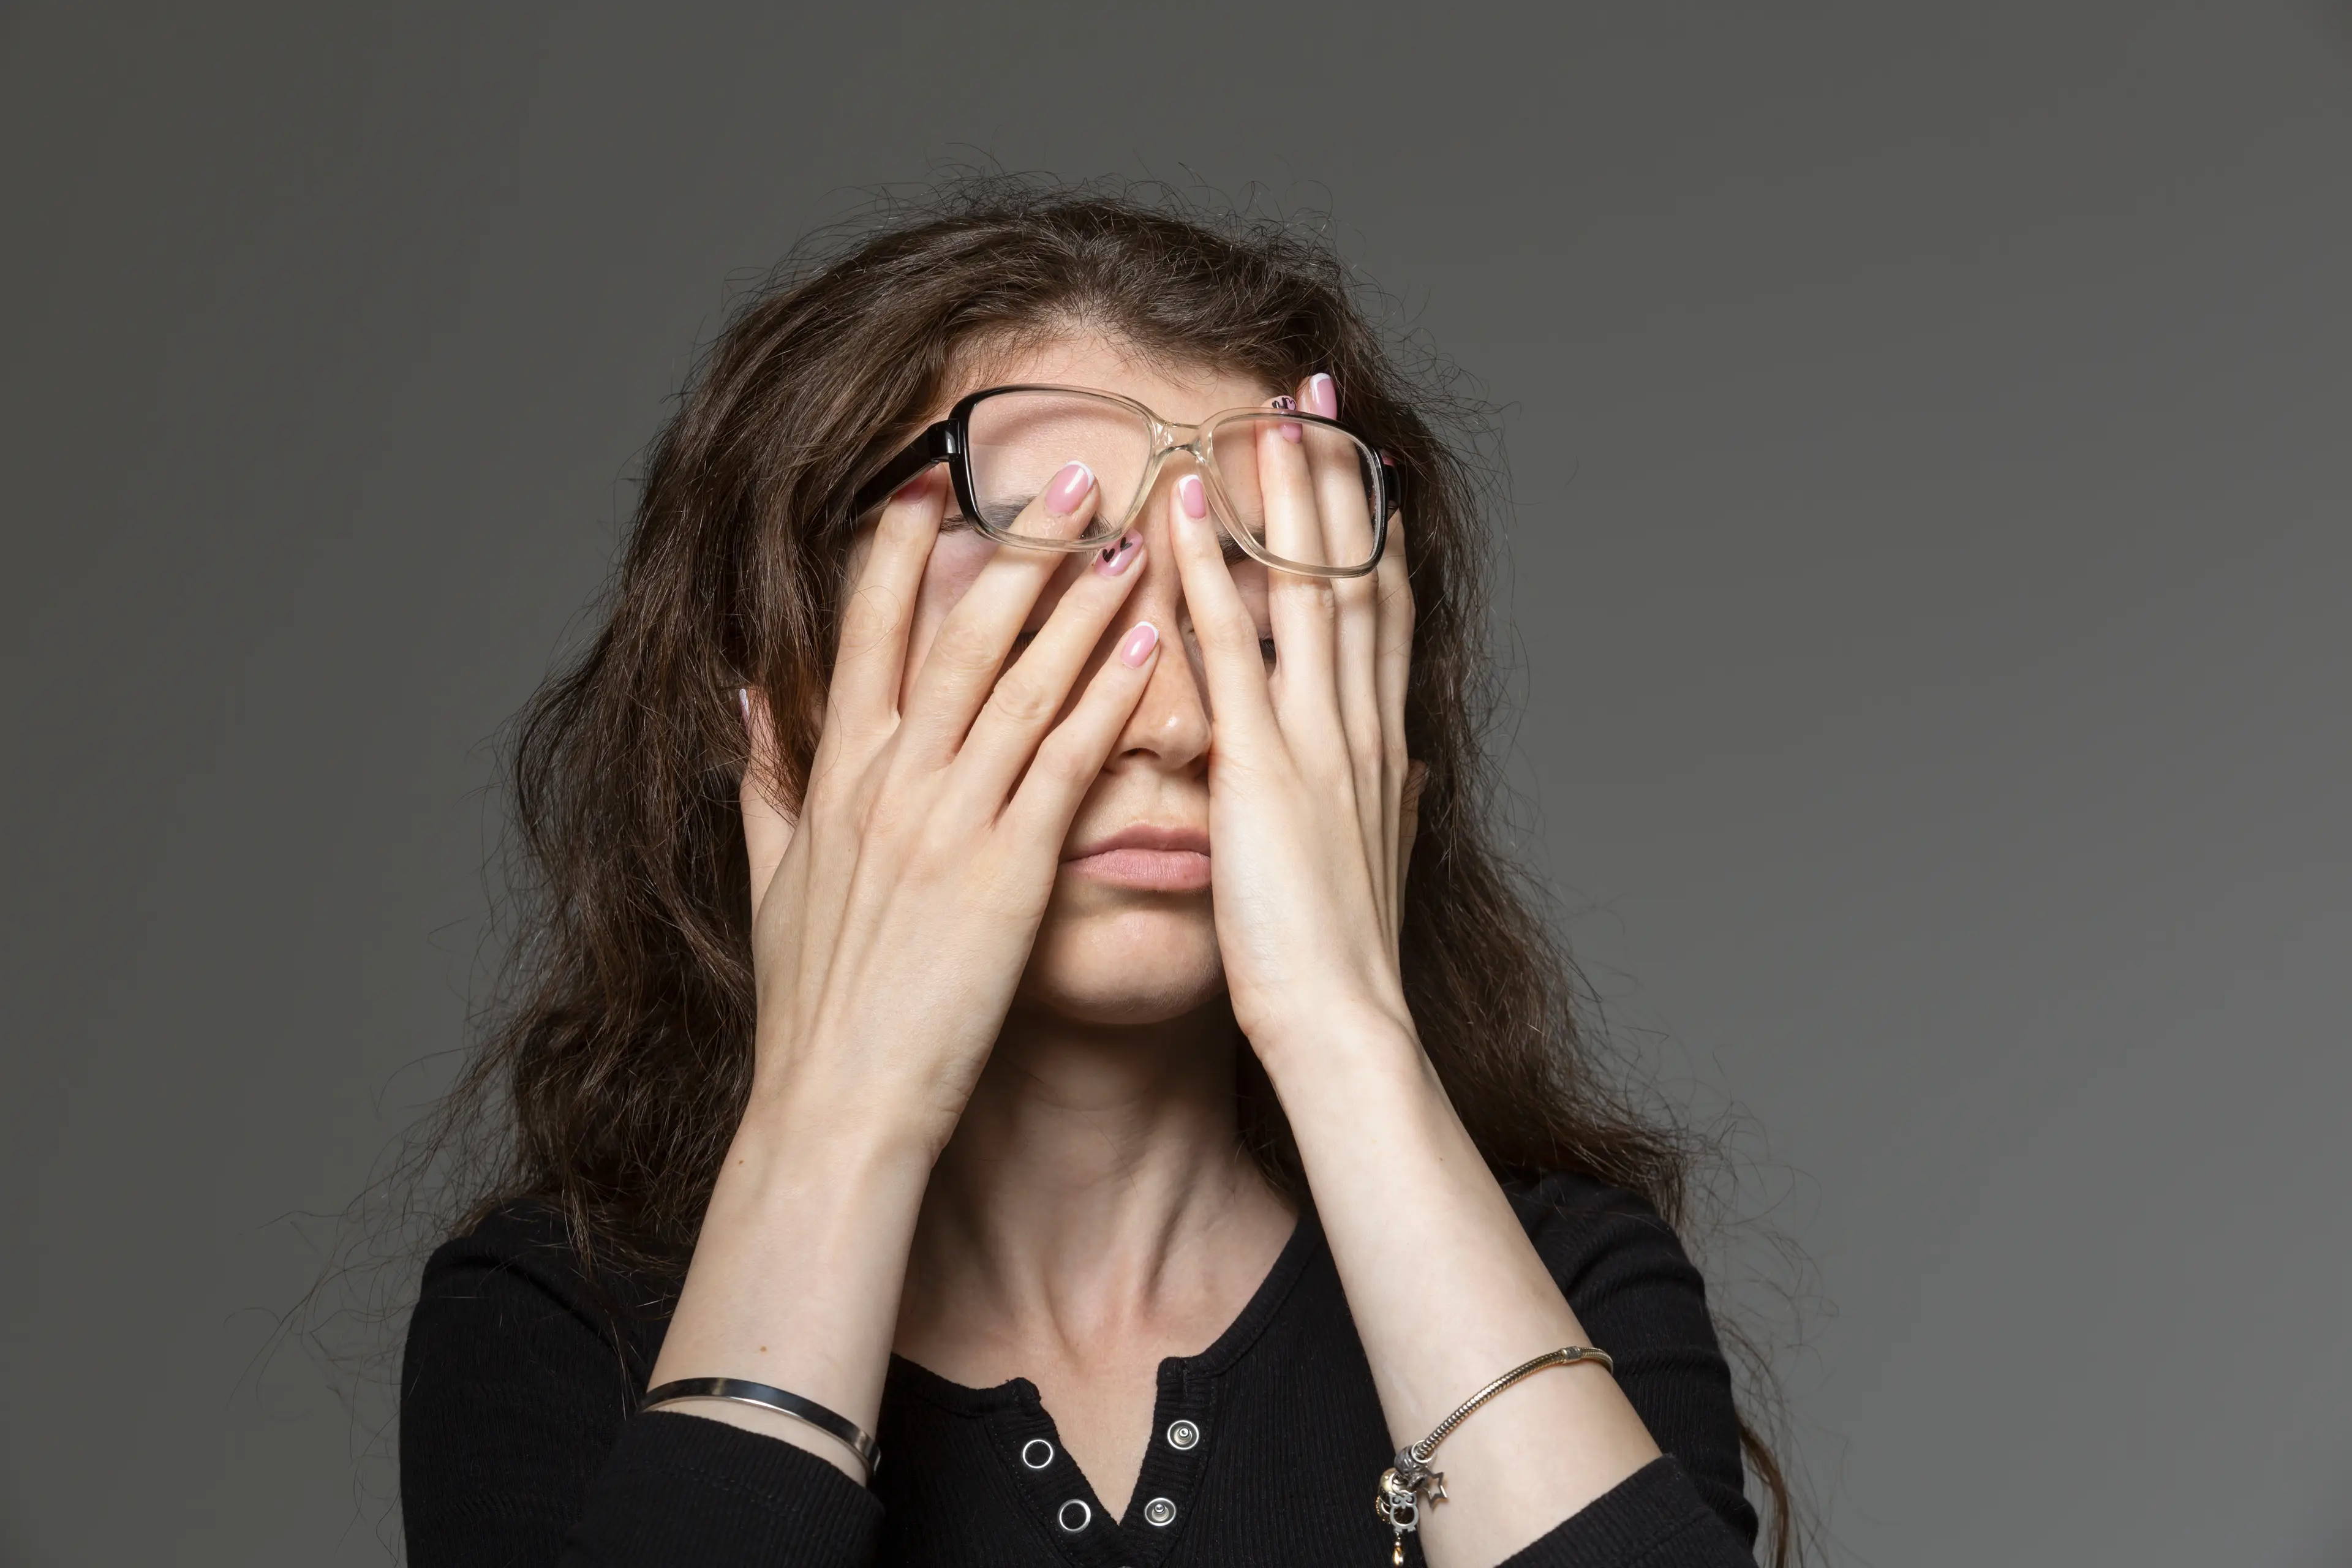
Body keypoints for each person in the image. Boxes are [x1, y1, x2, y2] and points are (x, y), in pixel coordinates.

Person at [399, 184, 1785, 1568]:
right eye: (1056, 626)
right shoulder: (554, 1326)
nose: (1179, 727)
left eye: (1247, 637)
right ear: (773, 697)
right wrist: (839, 1115)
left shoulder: (1567, 1279)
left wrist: (1346, 1030)